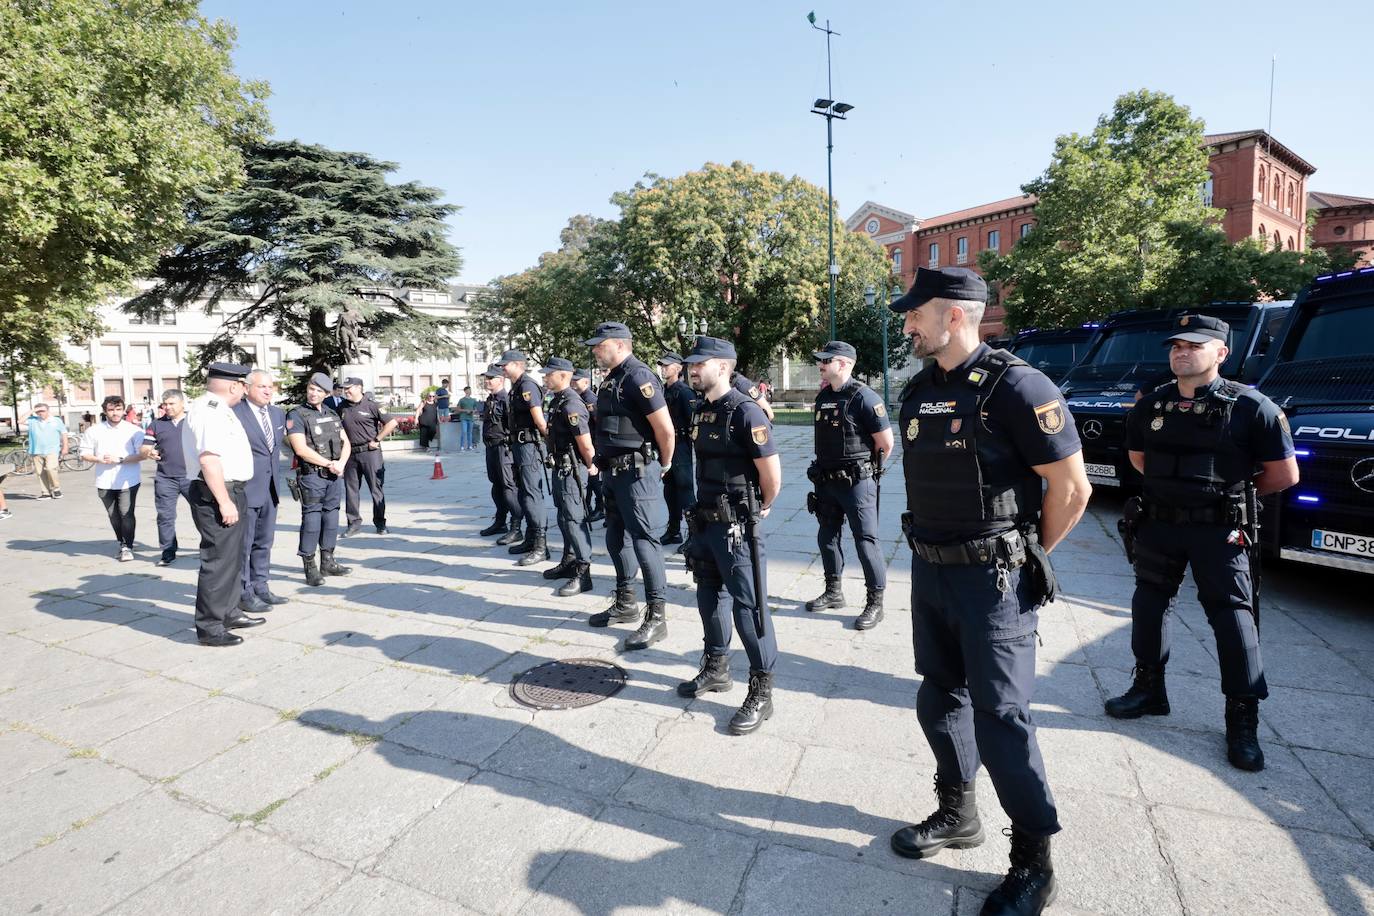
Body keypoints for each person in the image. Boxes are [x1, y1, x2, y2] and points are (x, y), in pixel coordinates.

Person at [887, 267, 1091, 916]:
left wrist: (1024, 556)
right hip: (930, 572)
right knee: (937, 696)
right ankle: (958, 813)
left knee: (1002, 720)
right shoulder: (919, 390)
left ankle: (1034, 862)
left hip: (993, 580)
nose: (906, 324)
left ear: (954, 316)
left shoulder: (1019, 387)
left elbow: (1072, 489)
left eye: (915, 314)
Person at [1105, 313, 1298, 773]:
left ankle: (1242, 718)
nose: (1182, 352)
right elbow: (1139, 459)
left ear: (1222, 353)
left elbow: (1284, 475)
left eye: (1194, 345)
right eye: (1176, 345)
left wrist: (1225, 500)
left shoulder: (1254, 407)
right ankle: (1149, 690)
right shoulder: (1151, 405)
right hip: (1160, 524)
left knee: (1233, 619)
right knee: (1148, 607)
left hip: (1220, 532)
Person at [677, 336, 782, 734]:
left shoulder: (746, 412)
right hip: (705, 523)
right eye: (691, 364)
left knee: (749, 609)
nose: (692, 370)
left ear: (722, 366)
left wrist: (758, 508)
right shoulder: (701, 410)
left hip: (737, 526)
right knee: (708, 597)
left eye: (699, 364)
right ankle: (716, 667)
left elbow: (771, 476)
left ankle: (762, 690)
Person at [584, 322, 675, 650]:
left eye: (600, 344)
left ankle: (657, 617)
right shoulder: (612, 379)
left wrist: (662, 465)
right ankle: (626, 603)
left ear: (620, 345)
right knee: (615, 538)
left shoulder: (639, 376)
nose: (595, 350)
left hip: (638, 475)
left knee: (645, 542)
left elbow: (665, 430)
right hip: (614, 475)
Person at [804, 341, 895, 629]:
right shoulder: (823, 396)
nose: (821, 364)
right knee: (826, 537)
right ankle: (834, 592)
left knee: (865, 542)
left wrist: (865, 470)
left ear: (843, 364)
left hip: (855, 483)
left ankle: (875, 603)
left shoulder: (865, 397)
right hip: (826, 482)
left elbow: (886, 444)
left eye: (826, 360)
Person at [183, 363, 263, 647]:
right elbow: (208, 459)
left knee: (232, 558)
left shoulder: (220, 410)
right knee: (218, 561)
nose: (245, 390)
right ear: (234, 385)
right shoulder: (208, 411)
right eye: (244, 384)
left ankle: (229, 611)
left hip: (230, 491)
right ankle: (210, 627)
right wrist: (224, 501)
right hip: (216, 493)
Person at [286, 372, 353, 587]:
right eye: (310, 389)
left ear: (326, 394)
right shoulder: (296, 414)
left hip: (333, 474)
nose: (313, 393)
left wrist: (341, 463)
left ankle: (328, 561)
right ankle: (310, 566)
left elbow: (346, 442)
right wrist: (328, 464)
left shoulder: (331, 413)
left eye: (318, 390)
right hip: (312, 475)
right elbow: (300, 449)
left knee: (331, 518)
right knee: (312, 521)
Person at [232, 370, 289, 613]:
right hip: (246, 488)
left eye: (270, 387)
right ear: (246, 388)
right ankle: (243, 592)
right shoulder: (235, 413)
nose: (268, 391)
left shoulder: (277, 413)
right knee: (244, 544)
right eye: (262, 387)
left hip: (270, 489)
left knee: (264, 541)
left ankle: (261, 586)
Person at [541, 357, 597, 594]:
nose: (545, 378)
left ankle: (584, 573)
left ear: (563, 375)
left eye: (548, 374)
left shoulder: (571, 404)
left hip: (572, 469)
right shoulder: (558, 400)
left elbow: (585, 444)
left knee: (574, 519)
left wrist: (592, 466)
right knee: (564, 518)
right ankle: (570, 560)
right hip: (560, 468)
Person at [79, 395, 147, 561]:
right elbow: (84, 453)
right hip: (104, 480)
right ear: (105, 411)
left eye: (118, 409)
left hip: (128, 479)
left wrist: (120, 459)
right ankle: (121, 540)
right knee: (113, 515)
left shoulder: (134, 431)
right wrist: (98, 459)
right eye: (111, 410)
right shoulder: (94, 430)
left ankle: (126, 546)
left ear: (124, 410)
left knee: (126, 513)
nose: (115, 413)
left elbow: (142, 455)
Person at [497, 350, 549, 562]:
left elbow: (539, 420)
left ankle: (541, 545)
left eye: (505, 365)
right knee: (524, 494)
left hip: (529, 446)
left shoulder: (527, 386)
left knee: (531, 495)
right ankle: (529, 537)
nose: (502, 369)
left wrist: (550, 444)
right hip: (519, 445)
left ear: (518, 365)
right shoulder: (516, 386)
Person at [140, 389, 195, 566]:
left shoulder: (194, 422)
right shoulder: (156, 424)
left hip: (192, 477)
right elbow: (144, 448)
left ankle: (210, 547)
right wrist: (149, 452)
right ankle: (168, 550)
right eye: (165, 404)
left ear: (182, 404)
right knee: (165, 516)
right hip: (165, 478)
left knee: (203, 514)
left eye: (172, 403)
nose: (167, 407)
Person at [339, 377, 397, 536]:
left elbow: (392, 423)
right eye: (344, 388)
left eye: (349, 388)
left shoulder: (372, 405)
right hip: (351, 454)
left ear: (359, 388)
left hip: (370, 454)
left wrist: (377, 439)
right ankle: (353, 524)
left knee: (376, 489)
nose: (346, 391)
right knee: (351, 491)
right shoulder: (341, 407)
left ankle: (380, 523)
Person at [657, 352, 697, 545]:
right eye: (662, 366)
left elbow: (693, 422)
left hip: (681, 445)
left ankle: (694, 534)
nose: (663, 369)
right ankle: (674, 530)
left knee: (685, 490)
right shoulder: (662, 390)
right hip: (666, 445)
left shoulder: (684, 392)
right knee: (669, 490)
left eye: (667, 365)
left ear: (679, 368)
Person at [478, 364, 521, 537]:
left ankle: (516, 526)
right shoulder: (491, 399)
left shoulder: (506, 399)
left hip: (504, 448)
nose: (487, 381)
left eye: (490, 378)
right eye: (486, 378)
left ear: (500, 380)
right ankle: (500, 521)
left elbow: (513, 426)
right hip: (491, 447)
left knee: (509, 488)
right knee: (496, 486)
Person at [573, 369, 604, 521]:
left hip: (593, 443)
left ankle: (600, 507)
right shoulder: (579, 397)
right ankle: (588, 505)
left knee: (594, 478)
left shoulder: (590, 398)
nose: (574, 382)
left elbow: (598, 423)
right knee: (589, 479)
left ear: (585, 381)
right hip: (586, 443)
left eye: (577, 380)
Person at [26, 403, 67, 499]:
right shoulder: (33, 420)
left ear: (48, 411)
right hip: (36, 450)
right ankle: (46, 493)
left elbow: (64, 433)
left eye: (43, 411)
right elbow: (20, 420)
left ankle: (56, 489)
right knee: (40, 473)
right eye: (38, 411)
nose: (41, 413)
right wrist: (32, 410)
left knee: (50, 468)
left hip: (52, 450)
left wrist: (65, 447)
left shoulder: (56, 420)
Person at [457, 386, 479, 451]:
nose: (470, 391)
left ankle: (470, 446)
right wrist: (465, 410)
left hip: (471, 418)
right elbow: (458, 409)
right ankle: (462, 446)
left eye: (470, 390)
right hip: (463, 417)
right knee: (464, 431)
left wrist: (473, 411)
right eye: (469, 390)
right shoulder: (461, 400)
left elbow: (476, 409)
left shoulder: (473, 400)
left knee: (470, 432)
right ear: (465, 391)